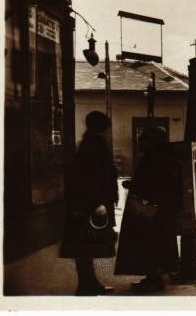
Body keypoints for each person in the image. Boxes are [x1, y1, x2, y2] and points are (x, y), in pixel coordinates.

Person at [115, 126, 181, 293]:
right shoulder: (162, 157)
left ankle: (155, 279)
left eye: (144, 140)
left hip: (150, 210)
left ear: (153, 142)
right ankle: (152, 277)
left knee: (149, 243)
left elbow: (154, 185)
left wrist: (133, 185)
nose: (140, 143)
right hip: (155, 209)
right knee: (151, 243)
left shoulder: (155, 159)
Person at [60, 111, 118, 296]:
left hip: (85, 203)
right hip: (91, 204)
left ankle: (89, 283)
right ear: (102, 127)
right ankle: (86, 285)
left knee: (85, 245)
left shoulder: (88, 143)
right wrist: (100, 203)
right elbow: (95, 177)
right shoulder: (95, 145)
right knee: (86, 245)